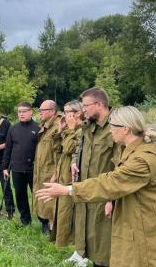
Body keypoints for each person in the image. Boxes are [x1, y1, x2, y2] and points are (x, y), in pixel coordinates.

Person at [36, 106, 156, 267]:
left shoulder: (143, 160)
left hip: (149, 228)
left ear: (126, 129)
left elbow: (111, 182)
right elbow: (121, 185)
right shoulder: (131, 150)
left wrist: (67, 189)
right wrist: (111, 200)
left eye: (113, 126)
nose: (110, 131)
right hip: (138, 220)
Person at [60, 87, 119, 267]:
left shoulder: (116, 127)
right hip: (86, 190)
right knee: (91, 240)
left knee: (105, 245)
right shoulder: (88, 126)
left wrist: (112, 197)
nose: (82, 110)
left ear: (100, 104)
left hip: (105, 193)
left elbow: (121, 164)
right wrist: (75, 160)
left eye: (86, 106)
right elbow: (80, 145)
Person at [51, 100, 84, 247]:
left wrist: (70, 130)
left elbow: (69, 149)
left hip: (74, 178)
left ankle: (80, 251)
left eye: (67, 112)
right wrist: (60, 130)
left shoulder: (81, 130)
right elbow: (58, 149)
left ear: (78, 113)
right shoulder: (69, 129)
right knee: (64, 212)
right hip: (63, 175)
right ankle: (75, 249)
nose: (64, 115)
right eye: (64, 112)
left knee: (74, 215)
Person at [2, 102, 40, 226]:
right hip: (17, 168)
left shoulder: (38, 128)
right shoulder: (13, 128)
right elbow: (8, 149)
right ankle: (25, 221)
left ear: (31, 112)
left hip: (33, 168)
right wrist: (5, 167)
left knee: (38, 195)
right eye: (19, 112)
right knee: (20, 195)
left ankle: (44, 221)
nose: (21, 114)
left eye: (24, 111)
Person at [33, 100, 62, 235]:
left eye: (42, 110)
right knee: (43, 199)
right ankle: (47, 225)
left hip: (51, 171)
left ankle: (53, 228)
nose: (40, 113)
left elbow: (60, 153)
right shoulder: (45, 126)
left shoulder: (57, 127)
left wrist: (56, 173)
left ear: (52, 112)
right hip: (41, 169)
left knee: (51, 200)